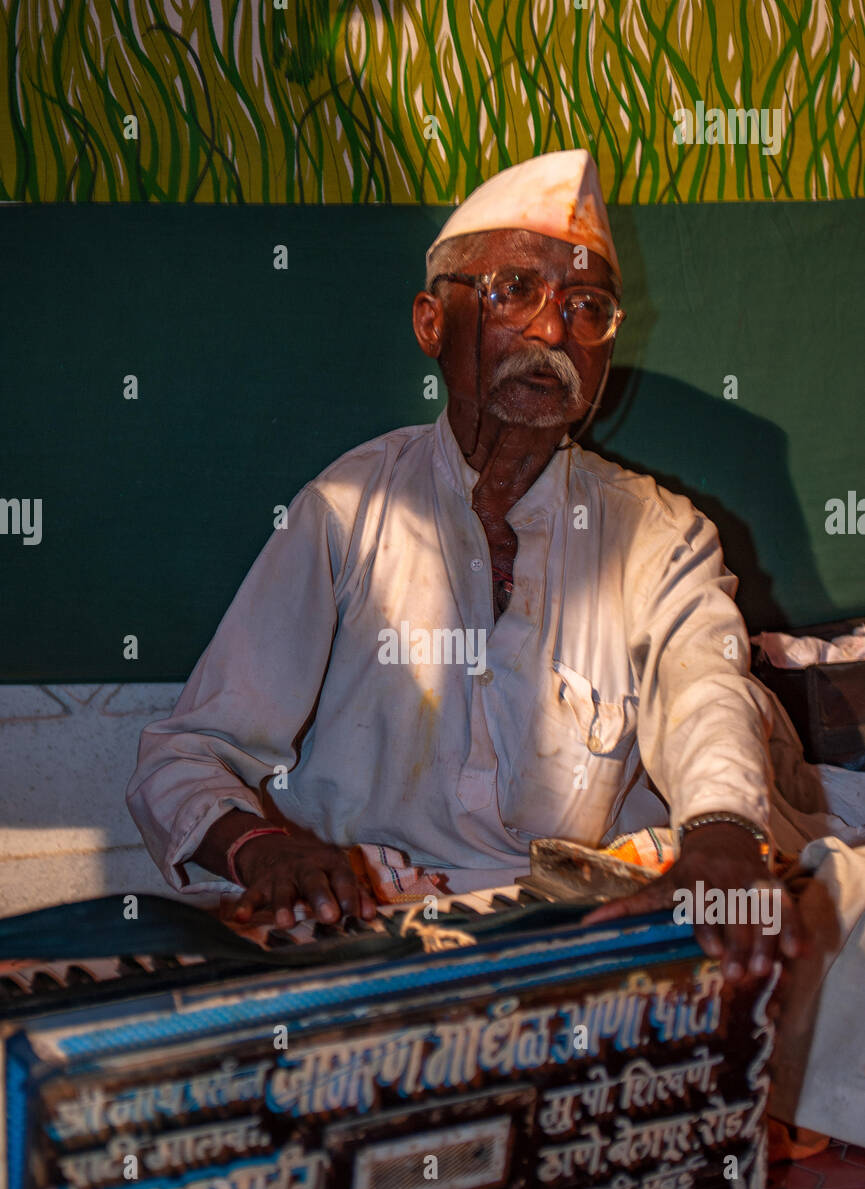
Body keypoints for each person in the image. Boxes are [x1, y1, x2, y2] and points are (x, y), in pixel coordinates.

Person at [127, 149, 803, 982]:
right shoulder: (345, 510)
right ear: (430, 324)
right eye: (513, 291)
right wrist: (265, 849)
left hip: (592, 932)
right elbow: (188, 750)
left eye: (587, 307)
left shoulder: (660, 534)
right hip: (370, 935)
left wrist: (721, 841)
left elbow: (703, 692)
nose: (553, 331)